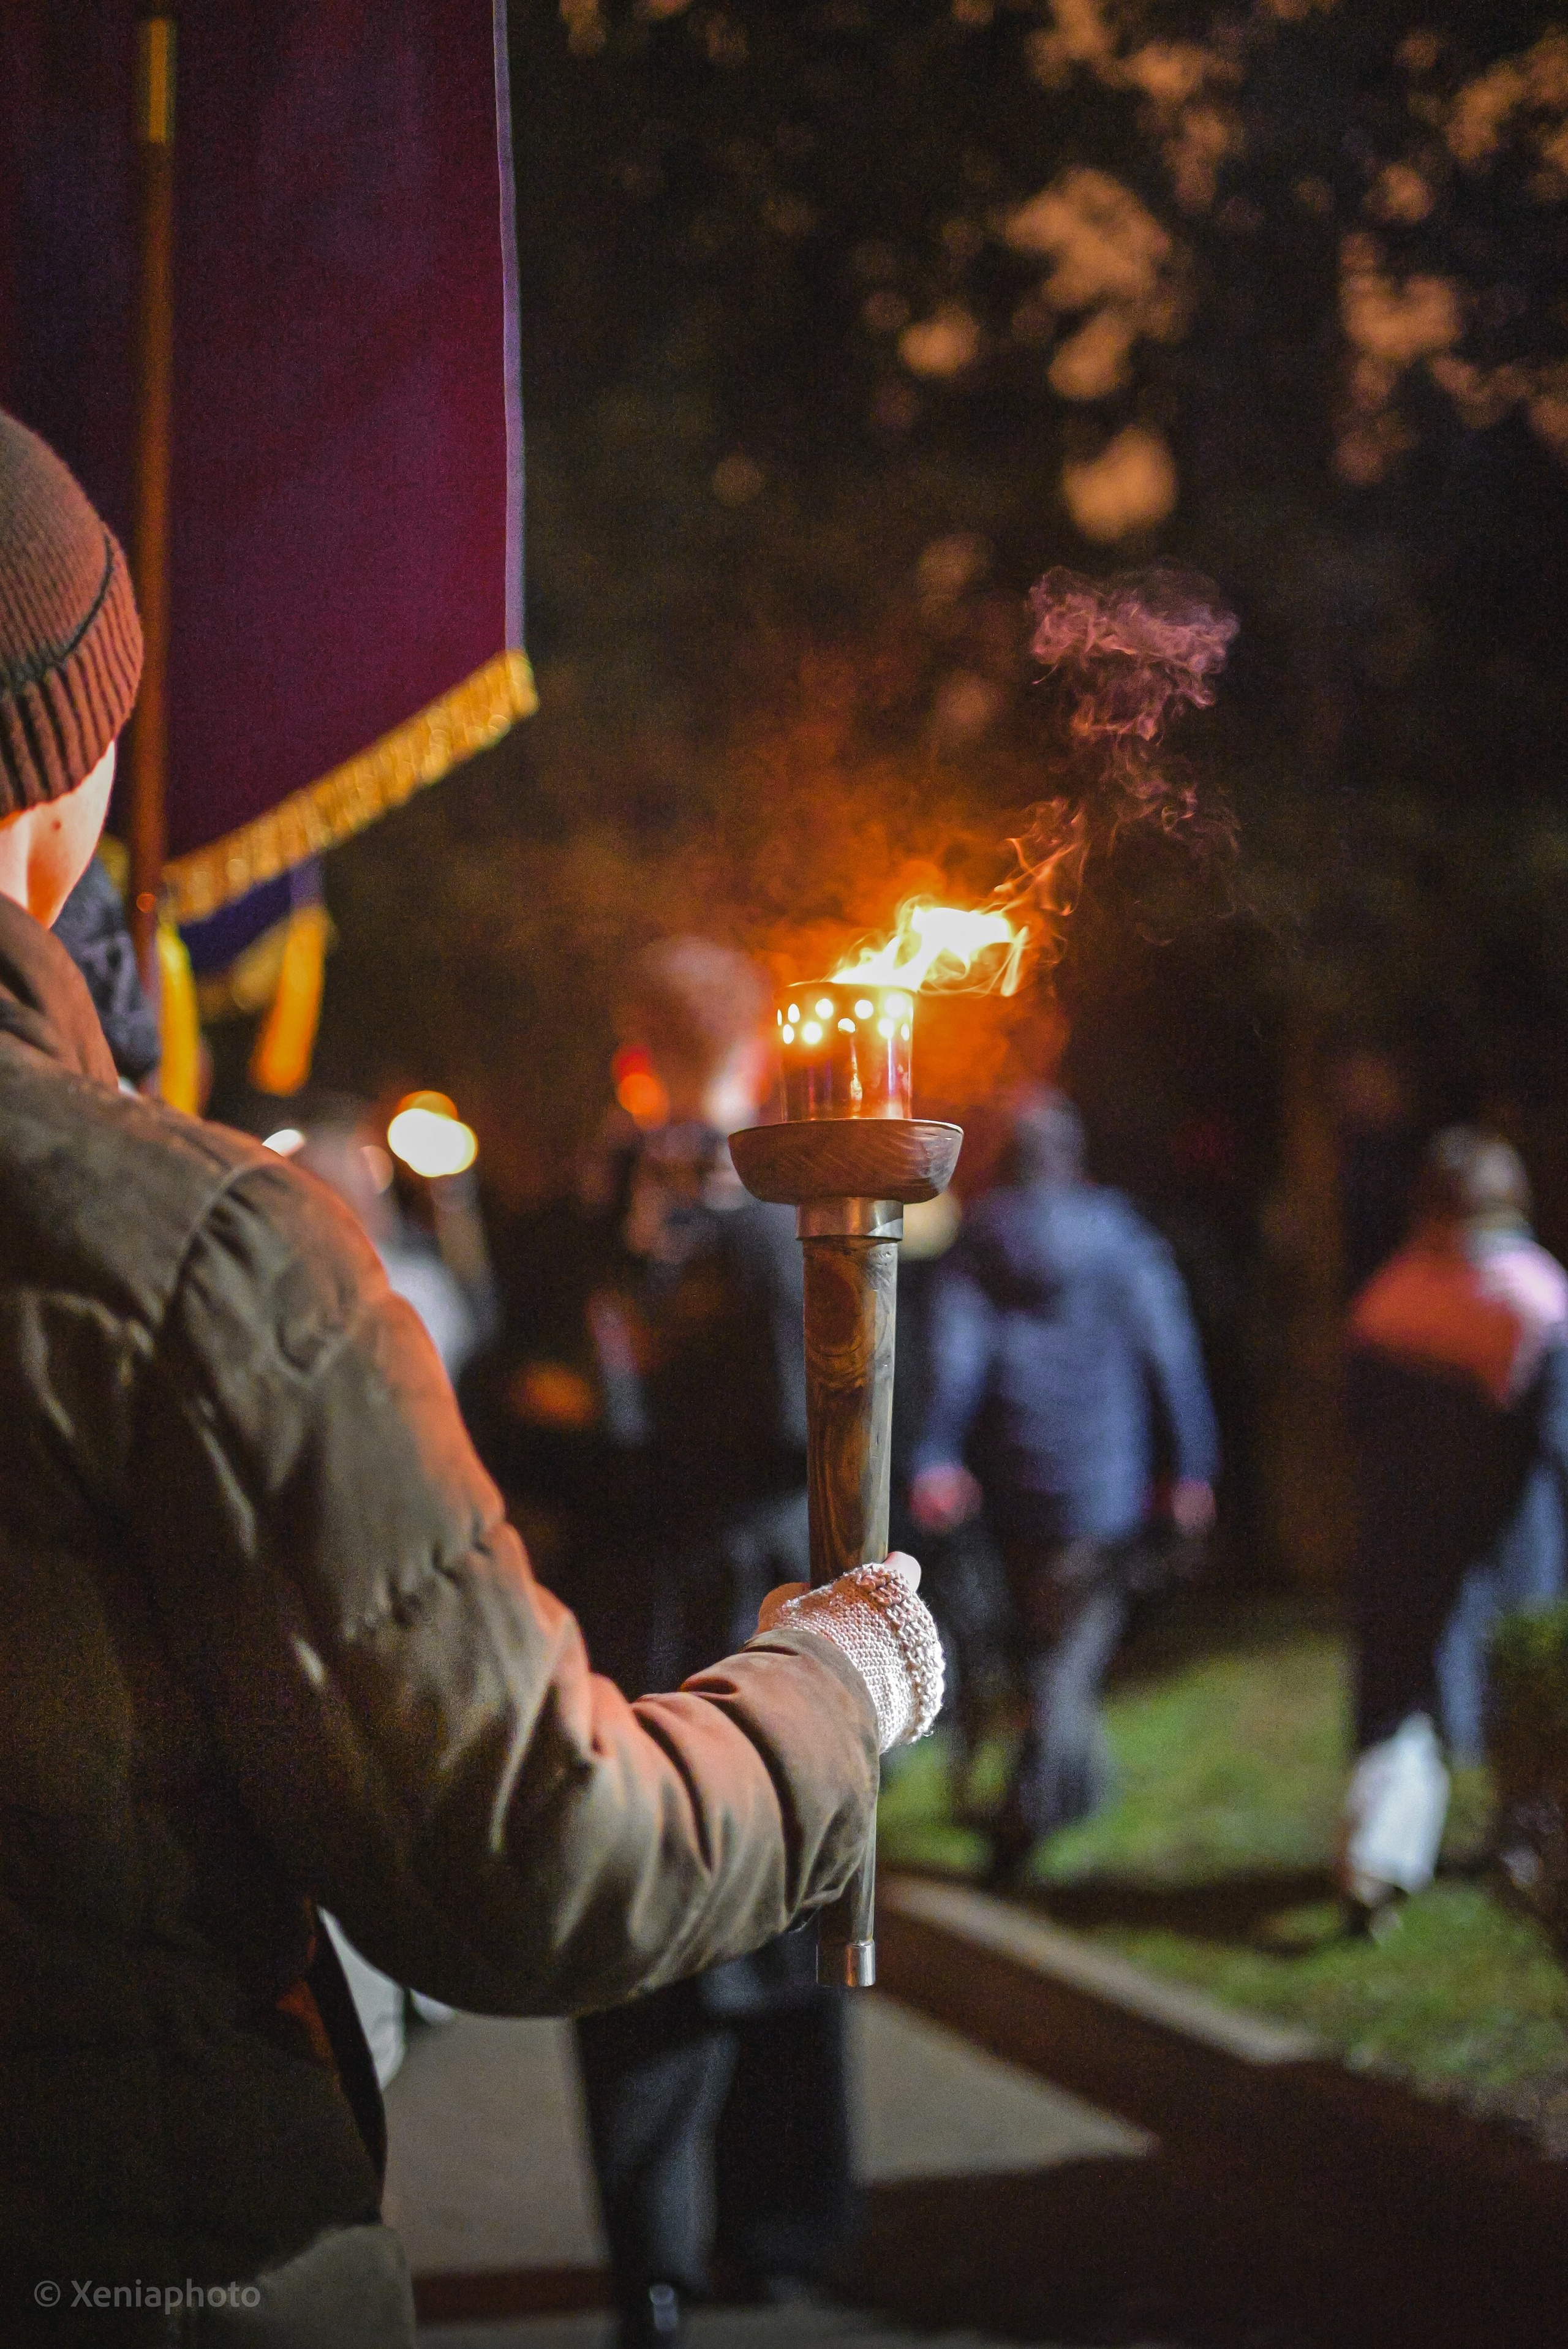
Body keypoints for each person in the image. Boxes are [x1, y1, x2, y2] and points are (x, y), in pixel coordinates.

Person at [0, 410, 943, 2347]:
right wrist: (834, 1693)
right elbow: (534, 1856)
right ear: (65, 752)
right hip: (133, 2266)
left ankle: (767, 2230)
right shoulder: (190, 1250)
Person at [484, 938, 859, 2347]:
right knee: (764, 1885)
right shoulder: (694, 1217)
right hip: (751, 1606)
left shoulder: (737, 1212)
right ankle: (766, 2232)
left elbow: (525, 1413)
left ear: (636, 1049)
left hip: (655, 1608)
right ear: (755, 1047)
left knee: (674, 1908)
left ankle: (687, 2249)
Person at [910, 1087, 1218, 1879]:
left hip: (1013, 1482)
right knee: (1065, 1655)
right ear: (1075, 1157)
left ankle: (1052, 1801)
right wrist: (1191, 1466)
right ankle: (1030, 1821)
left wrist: (938, 1453)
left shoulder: (980, 1240)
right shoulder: (1122, 1239)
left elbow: (956, 1353)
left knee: (1051, 1653)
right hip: (1103, 1483)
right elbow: (1169, 1352)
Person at [1341, 1126, 1568, 1920]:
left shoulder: (1389, 1298)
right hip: (1510, 1543)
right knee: (1514, 1700)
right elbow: (1556, 1440)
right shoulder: (1537, 1302)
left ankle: (1377, 1862)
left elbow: (1359, 1421)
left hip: (1406, 1537)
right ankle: (1519, 1841)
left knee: (1405, 1705)